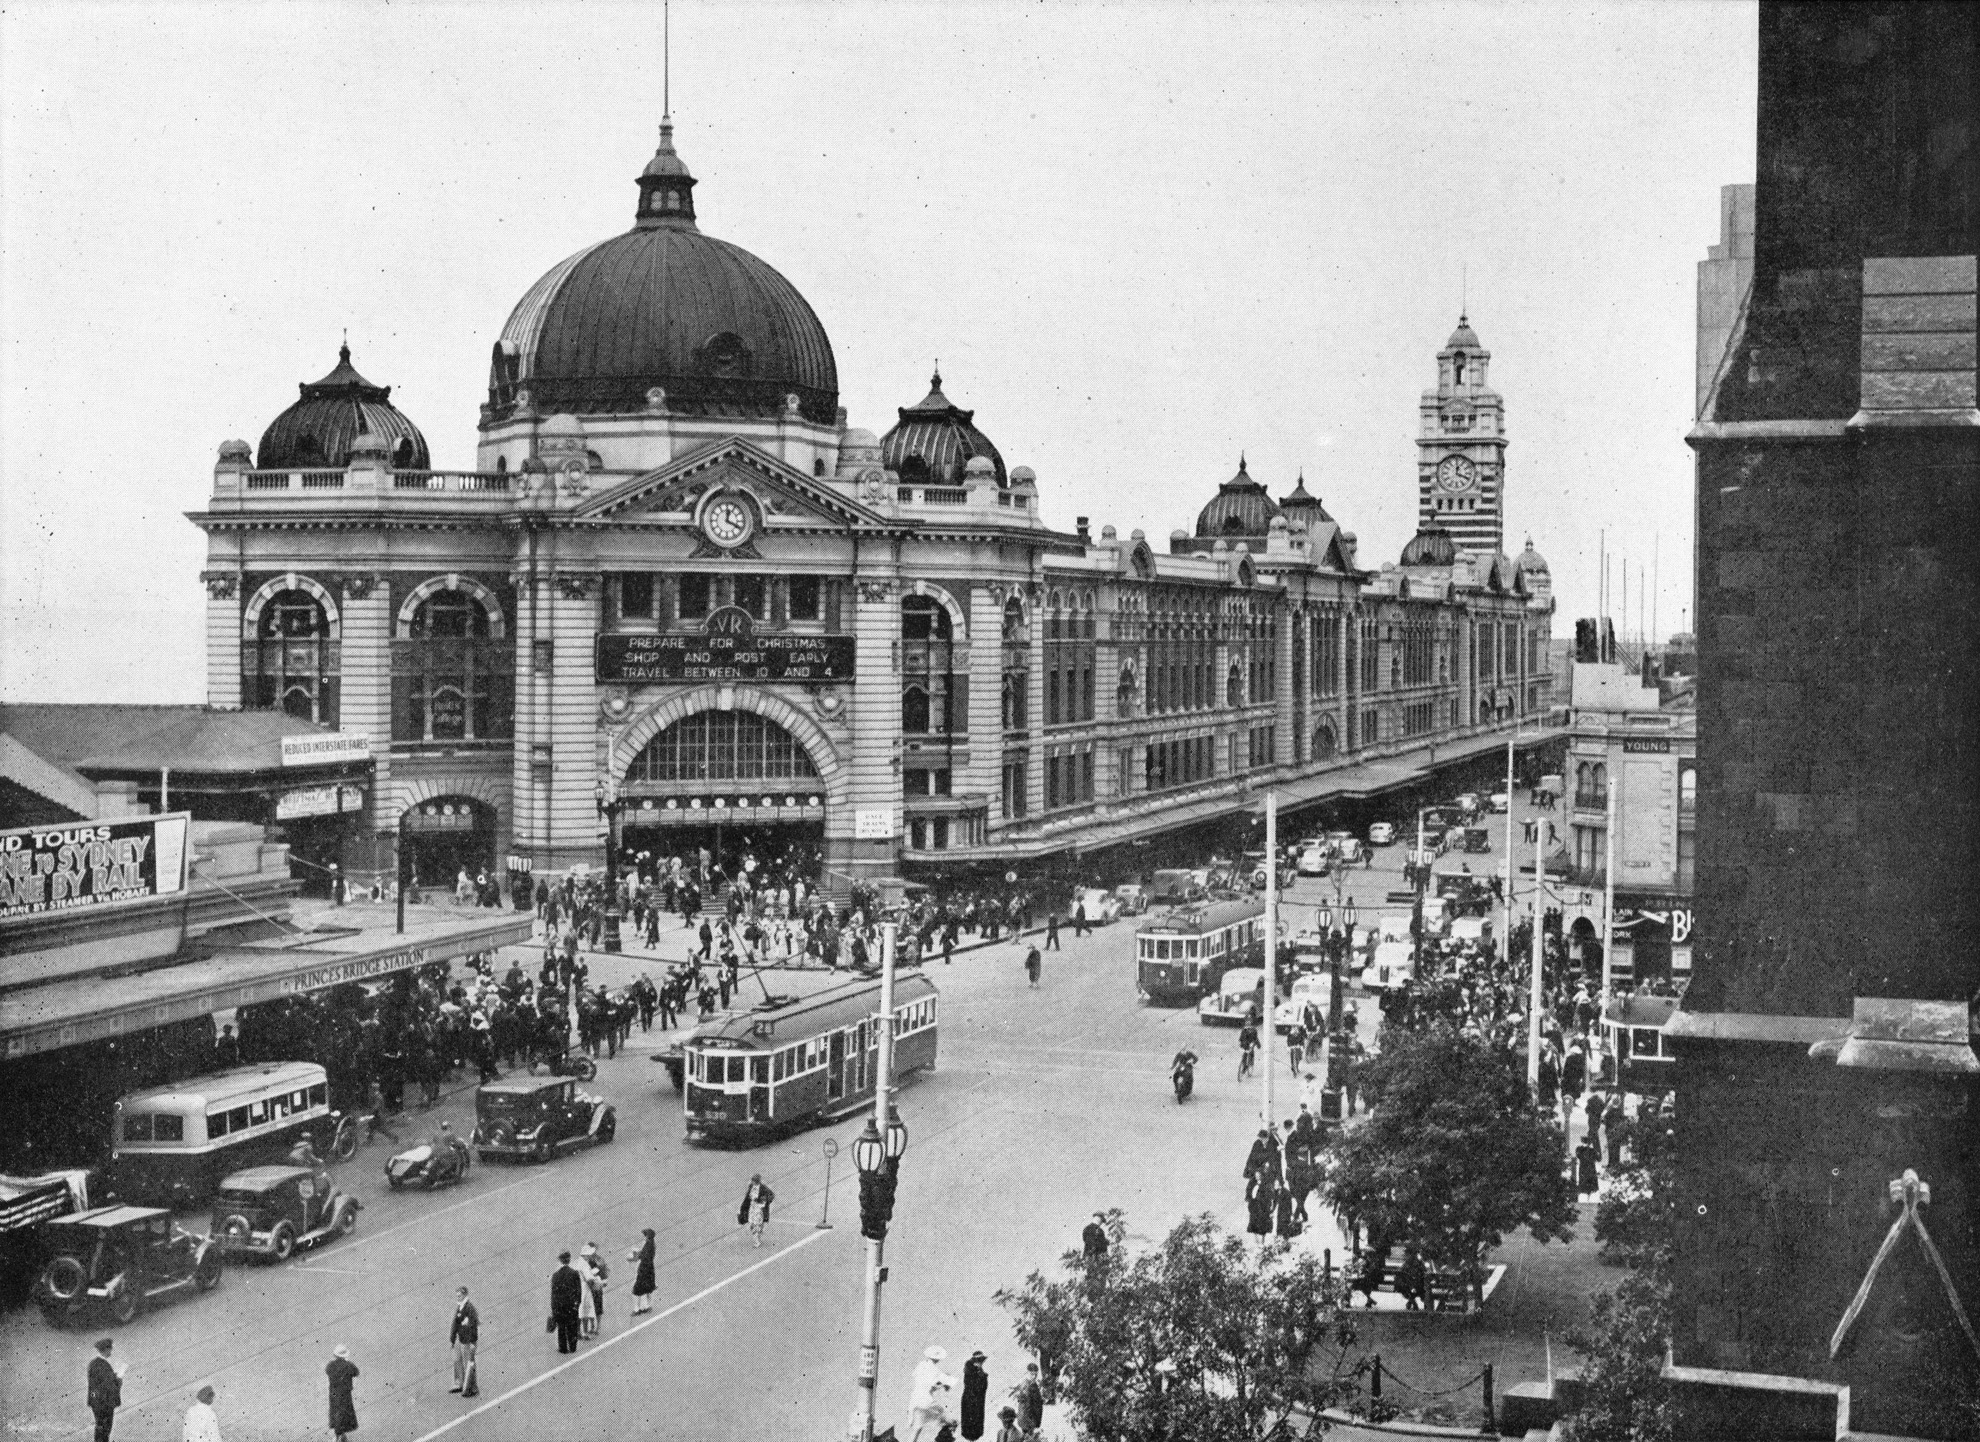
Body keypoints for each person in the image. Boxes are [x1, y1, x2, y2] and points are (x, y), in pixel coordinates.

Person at [907, 1345, 958, 1442]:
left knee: (917, 1428)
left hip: (916, 1400)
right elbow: (944, 1381)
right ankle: (946, 1437)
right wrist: (943, 1385)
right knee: (945, 1418)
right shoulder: (934, 1370)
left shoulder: (921, 1365)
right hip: (927, 1400)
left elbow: (921, 1380)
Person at [87, 1337, 122, 1442]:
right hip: (104, 1403)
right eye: (110, 1349)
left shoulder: (93, 1363)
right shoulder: (104, 1366)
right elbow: (109, 1386)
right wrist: (118, 1381)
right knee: (106, 1428)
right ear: (106, 1350)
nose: (111, 1352)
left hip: (95, 1401)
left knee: (99, 1426)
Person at [549, 1250, 583, 1353]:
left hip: (559, 1305)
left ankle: (563, 1348)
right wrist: (577, 1303)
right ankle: (572, 1347)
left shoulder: (555, 1275)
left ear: (560, 1261)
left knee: (561, 1328)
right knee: (572, 1326)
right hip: (571, 1305)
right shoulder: (574, 1273)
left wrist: (553, 1308)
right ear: (569, 1260)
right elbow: (578, 1291)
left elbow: (553, 1294)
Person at [450, 1286, 479, 1396]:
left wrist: (472, 1342)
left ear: (465, 1295)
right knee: (457, 1360)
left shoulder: (469, 1308)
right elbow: (455, 1323)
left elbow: (474, 1326)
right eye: (457, 1295)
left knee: (468, 1363)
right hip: (459, 1338)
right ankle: (459, 1383)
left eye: (459, 1296)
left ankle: (471, 1387)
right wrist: (452, 1339)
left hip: (467, 1341)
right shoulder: (460, 1307)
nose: (457, 1297)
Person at [325, 1346, 359, 1442]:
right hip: (346, 1393)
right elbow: (356, 1373)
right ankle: (341, 1434)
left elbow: (328, 1373)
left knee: (336, 1411)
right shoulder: (349, 1365)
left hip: (334, 1393)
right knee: (344, 1412)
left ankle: (338, 1434)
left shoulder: (330, 1365)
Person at [738, 1174, 775, 1248]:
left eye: (753, 1181)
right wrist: (743, 1207)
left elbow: (771, 1195)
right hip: (752, 1207)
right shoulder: (751, 1186)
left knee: (757, 1223)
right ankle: (757, 1237)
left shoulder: (763, 1188)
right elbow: (748, 1197)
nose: (752, 1182)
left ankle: (757, 1239)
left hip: (759, 1208)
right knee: (752, 1223)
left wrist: (763, 1200)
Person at [960, 1350, 990, 1441]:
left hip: (975, 1401)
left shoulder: (976, 1371)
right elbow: (979, 1387)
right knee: (971, 1426)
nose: (981, 1364)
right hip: (972, 1402)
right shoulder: (971, 1372)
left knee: (973, 1426)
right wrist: (983, 1377)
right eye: (979, 1362)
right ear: (975, 1362)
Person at [629, 1227, 657, 1314]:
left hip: (644, 1269)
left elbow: (643, 1257)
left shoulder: (648, 1245)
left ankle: (637, 1309)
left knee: (637, 1290)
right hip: (650, 1269)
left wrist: (636, 1255)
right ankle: (647, 1306)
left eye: (645, 1235)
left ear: (647, 1236)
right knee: (648, 1288)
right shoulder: (651, 1244)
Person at [1014, 1362, 1045, 1435]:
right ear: (1027, 1373)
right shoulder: (1027, 1386)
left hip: (1028, 1420)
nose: (1034, 1376)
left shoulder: (1031, 1383)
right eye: (1032, 1374)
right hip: (1028, 1421)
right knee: (1029, 1438)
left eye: (1035, 1374)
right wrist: (1033, 1422)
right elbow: (1027, 1406)